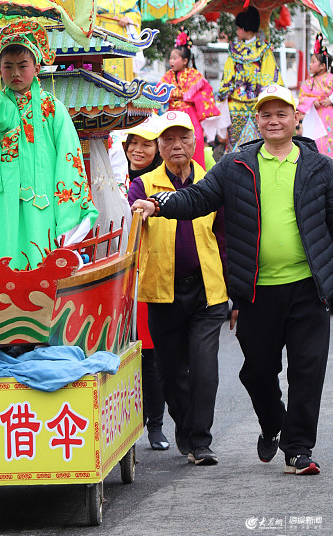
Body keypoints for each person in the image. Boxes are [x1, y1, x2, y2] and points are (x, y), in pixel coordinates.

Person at [132, 85, 333, 476]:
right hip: (255, 290)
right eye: (266, 115)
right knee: (258, 370)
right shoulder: (235, 165)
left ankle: (297, 449)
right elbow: (198, 199)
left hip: (308, 289)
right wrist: (159, 203)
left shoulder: (320, 167)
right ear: (257, 121)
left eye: (281, 114)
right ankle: (273, 420)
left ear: (296, 119)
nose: (273, 121)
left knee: (308, 368)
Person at [0, 17, 98, 268]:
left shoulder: (52, 109)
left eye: (22, 65)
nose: (15, 73)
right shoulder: (3, 108)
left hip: (46, 199)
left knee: (43, 258)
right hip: (8, 199)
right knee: (8, 257)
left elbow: (70, 158)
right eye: (8, 66)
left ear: (36, 68)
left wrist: (66, 209)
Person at [128, 111, 227, 466]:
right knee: (170, 372)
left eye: (182, 137)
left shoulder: (213, 181)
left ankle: (201, 442)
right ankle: (186, 432)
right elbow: (131, 234)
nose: (175, 145)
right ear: (159, 146)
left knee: (204, 369)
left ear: (194, 141)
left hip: (207, 290)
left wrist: (238, 293)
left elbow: (226, 237)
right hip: (162, 291)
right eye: (167, 139)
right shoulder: (143, 186)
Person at [121, 118, 168, 451]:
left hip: (149, 273)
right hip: (119, 275)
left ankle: (156, 424)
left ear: (158, 149)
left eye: (146, 144)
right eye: (132, 143)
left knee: (151, 355)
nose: (138, 150)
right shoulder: (111, 177)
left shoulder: (161, 183)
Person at [217, 6, 282, 151]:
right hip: (259, 105)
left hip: (236, 105)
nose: (237, 31)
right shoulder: (264, 49)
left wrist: (223, 93)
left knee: (237, 146)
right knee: (260, 145)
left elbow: (227, 77)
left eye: (239, 28)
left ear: (246, 28)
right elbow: (270, 77)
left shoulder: (235, 50)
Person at [161, 32, 219, 168]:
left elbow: (206, 93)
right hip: (172, 114)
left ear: (185, 60)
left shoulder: (195, 75)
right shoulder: (167, 76)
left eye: (174, 58)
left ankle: (196, 179)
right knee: (169, 143)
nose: (171, 61)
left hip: (190, 116)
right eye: (170, 58)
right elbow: (159, 95)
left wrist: (189, 97)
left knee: (195, 141)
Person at [297, 34, 333, 158]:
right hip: (313, 116)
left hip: (329, 116)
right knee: (315, 142)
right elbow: (301, 98)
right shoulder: (308, 82)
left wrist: (331, 100)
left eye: (313, 62)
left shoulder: (331, 78)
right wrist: (312, 101)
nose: (310, 65)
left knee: (329, 141)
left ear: (323, 65)